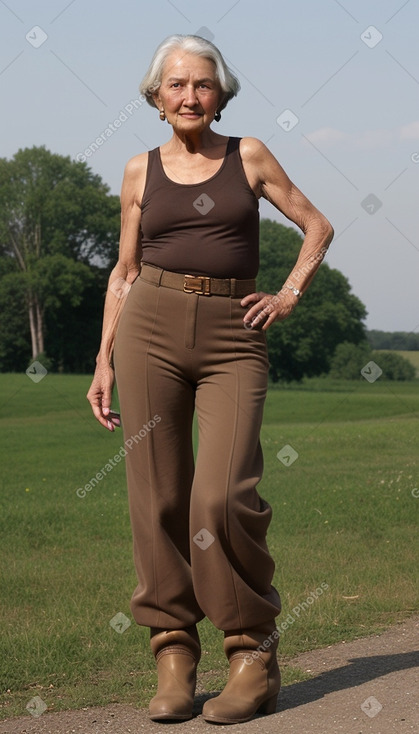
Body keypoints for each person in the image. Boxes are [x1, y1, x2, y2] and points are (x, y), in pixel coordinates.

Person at [87, 33, 333, 725]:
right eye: (176, 85)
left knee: (221, 497)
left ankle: (251, 654)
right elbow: (125, 271)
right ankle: (172, 652)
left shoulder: (247, 155)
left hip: (234, 332)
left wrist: (286, 295)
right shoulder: (138, 169)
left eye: (201, 84)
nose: (189, 95)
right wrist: (104, 358)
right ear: (155, 97)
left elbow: (316, 225)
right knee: (156, 497)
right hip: (148, 329)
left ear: (220, 94)